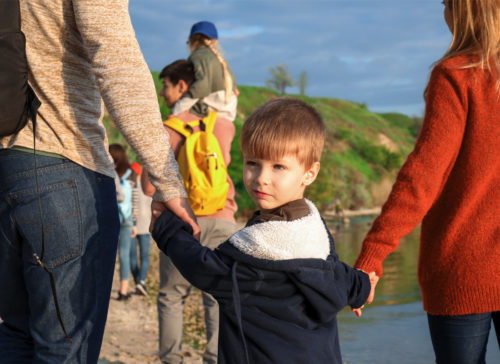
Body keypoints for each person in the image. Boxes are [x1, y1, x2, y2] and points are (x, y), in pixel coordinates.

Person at [0, 1, 198, 362]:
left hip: (6, 170)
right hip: (65, 162)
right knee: (65, 348)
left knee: (14, 335)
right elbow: (116, 58)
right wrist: (167, 178)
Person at [152, 98, 373, 364]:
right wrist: (361, 287)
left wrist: (166, 227)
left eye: (278, 166)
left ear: (309, 173)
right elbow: (335, 271)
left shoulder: (255, 257)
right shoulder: (314, 231)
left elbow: (206, 269)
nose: (261, 178)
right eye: (253, 163)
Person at [354, 1, 500, 363]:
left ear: (467, 11)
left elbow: (423, 176)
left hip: (461, 265)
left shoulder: (458, 74)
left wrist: (374, 252)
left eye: (448, 4)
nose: (445, 13)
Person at [142, 59, 238, 364]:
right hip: (223, 221)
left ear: (183, 86)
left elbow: (146, 186)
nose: (162, 93)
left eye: (166, 86)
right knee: (217, 297)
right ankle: (215, 359)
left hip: (183, 222)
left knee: (172, 295)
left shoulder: (169, 127)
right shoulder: (223, 125)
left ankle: (172, 360)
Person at [171, 21, 238, 122]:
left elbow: (201, 88)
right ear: (215, 41)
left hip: (213, 108)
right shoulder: (222, 60)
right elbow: (235, 90)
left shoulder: (198, 56)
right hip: (229, 110)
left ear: (192, 41)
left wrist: (177, 110)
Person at [109, 144, 137, 301]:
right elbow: (135, 200)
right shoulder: (131, 175)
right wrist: (135, 223)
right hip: (127, 219)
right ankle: (123, 291)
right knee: (124, 254)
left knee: (106, 253)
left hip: (109, 218)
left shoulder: (107, 173)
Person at [129, 162, 153, 296]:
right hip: (146, 226)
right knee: (144, 257)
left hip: (132, 226)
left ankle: (138, 282)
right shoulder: (148, 188)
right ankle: (141, 282)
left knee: (132, 257)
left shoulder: (129, 187)